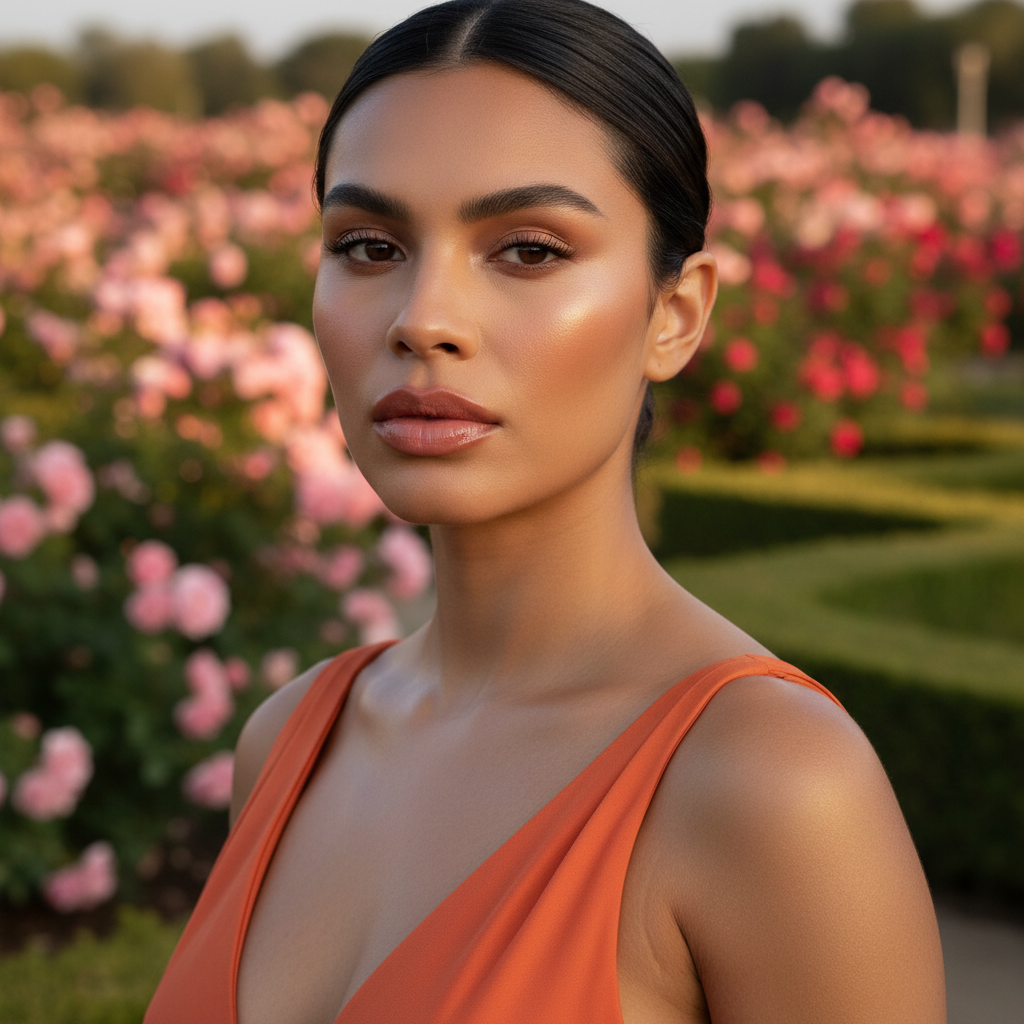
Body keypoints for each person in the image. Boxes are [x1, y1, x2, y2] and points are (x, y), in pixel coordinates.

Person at [146, 1, 947, 1021]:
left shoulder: (770, 785)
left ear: (677, 314)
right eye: (368, 245)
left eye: (527, 250)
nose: (423, 320)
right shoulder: (290, 740)